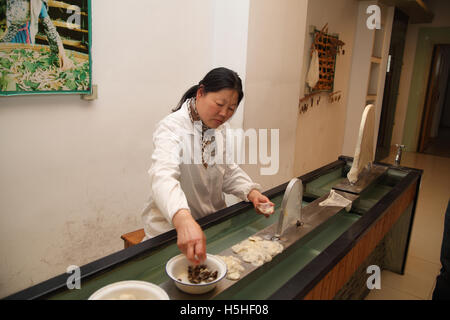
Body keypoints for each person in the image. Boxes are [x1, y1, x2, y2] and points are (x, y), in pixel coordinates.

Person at [141, 67, 274, 264]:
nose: (224, 114)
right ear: (201, 92)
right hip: (171, 230)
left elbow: (227, 171)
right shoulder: (172, 127)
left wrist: (251, 192)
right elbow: (163, 176)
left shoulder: (220, 129)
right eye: (219, 104)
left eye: (231, 108)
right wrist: (183, 219)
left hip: (211, 224)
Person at [1, 0, 74, 70]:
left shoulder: (36, 3)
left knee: (25, 62)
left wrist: (61, 51)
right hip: (9, 35)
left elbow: (49, 27)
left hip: (25, 35)